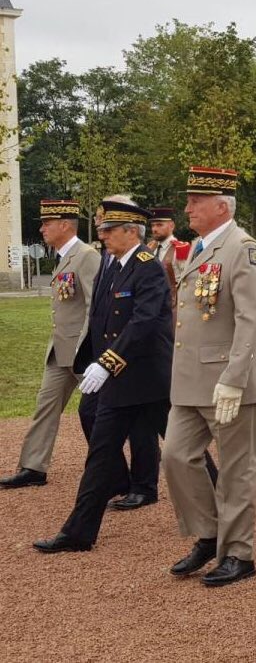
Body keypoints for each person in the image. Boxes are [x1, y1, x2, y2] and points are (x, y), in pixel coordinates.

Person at [33, 200, 172, 552]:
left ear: (131, 231)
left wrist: (107, 362)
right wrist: (93, 361)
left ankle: (223, 507)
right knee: (101, 452)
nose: (103, 235)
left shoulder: (147, 267)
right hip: (117, 380)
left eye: (110, 230)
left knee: (187, 450)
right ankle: (78, 532)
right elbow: (99, 319)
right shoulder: (111, 263)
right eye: (103, 229)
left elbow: (143, 322)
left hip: (148, 379)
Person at [162, 166, 256, 587]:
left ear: (221, 206)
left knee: (237, 469)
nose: (188, 207)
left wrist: (235, 376)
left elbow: (251, 319)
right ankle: (208, 534)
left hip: (230, 381)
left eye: (196, 202)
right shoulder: (202, 248)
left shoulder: (242, 249)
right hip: (191, 381)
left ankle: (239, 553)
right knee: (175, 455)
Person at [0, 200, 100, 489]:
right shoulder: (62, 256)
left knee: (107, 411)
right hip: (58, 352)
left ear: (65, 225)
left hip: (83, 353)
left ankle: (132, 465)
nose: (42, 228)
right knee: (45, 406)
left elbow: (95, 307)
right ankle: (33, 467)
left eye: (47, 223)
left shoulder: (86, 256)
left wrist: (86, 349)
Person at [148, 207, 219, 487]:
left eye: (161, 223)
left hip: (173, 316)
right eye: (153, 224)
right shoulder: (151, 249)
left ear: (171, 225)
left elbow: (182, 283)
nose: (156, 228)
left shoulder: (180, 249)